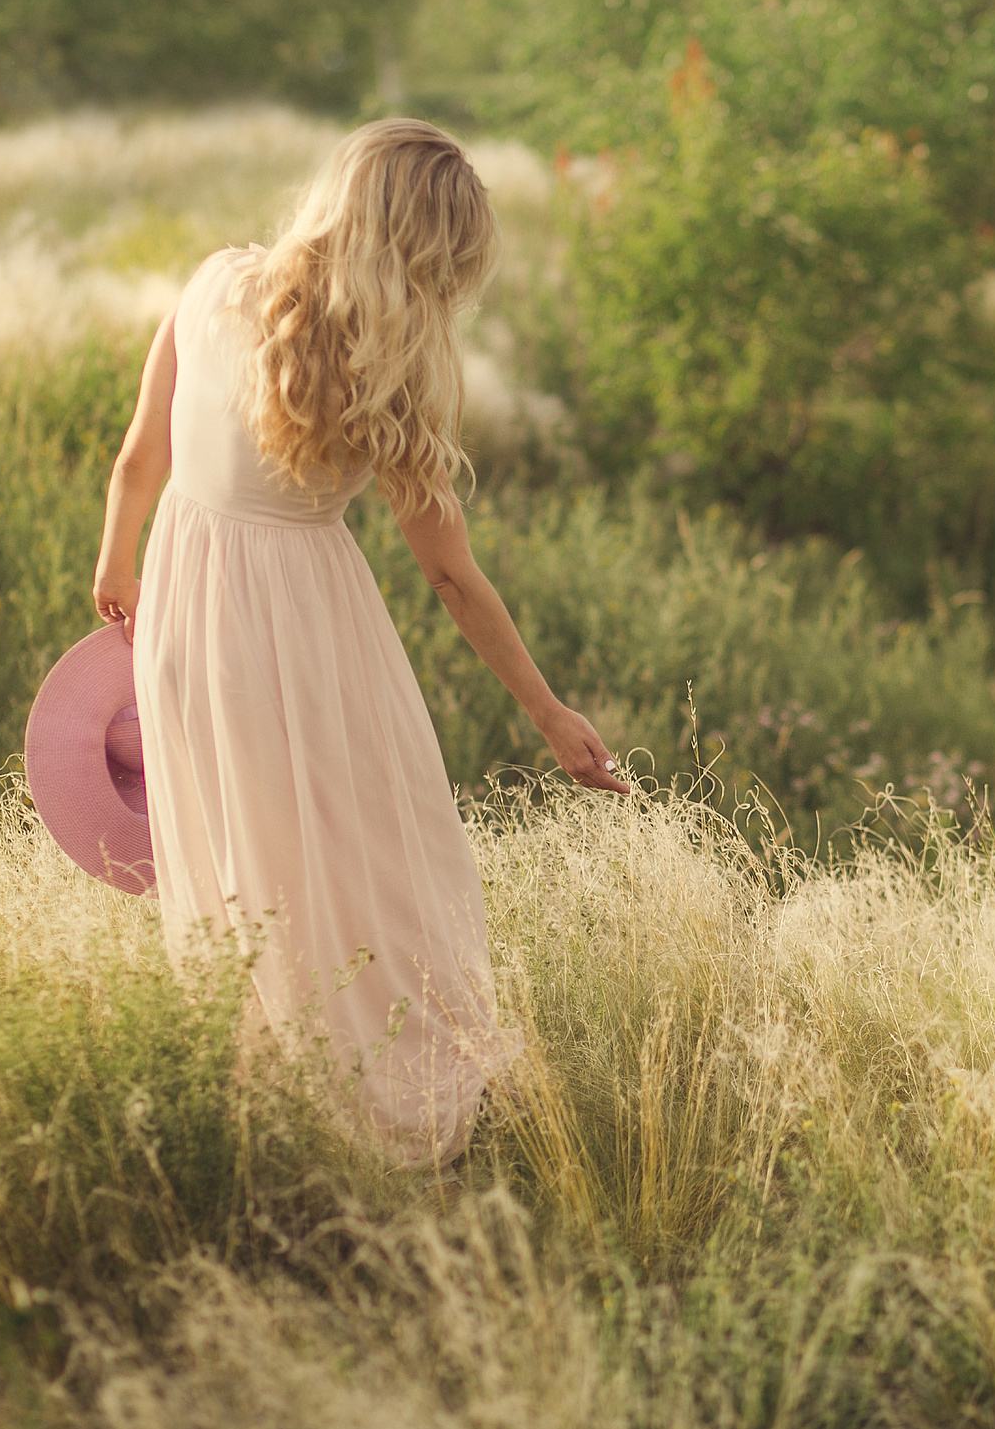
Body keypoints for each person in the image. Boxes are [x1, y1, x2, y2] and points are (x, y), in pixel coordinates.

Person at [89, 118, 627, 1166]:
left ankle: (259, 1101)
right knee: (371, 856)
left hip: (184, 619)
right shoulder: (388, 371)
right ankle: (378, 1088)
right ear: (431, 253)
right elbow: (450, 577)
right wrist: (548, 711)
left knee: (237, 859)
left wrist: (118, 567)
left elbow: (137, 456)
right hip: (302, 633)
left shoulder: (212, 285)